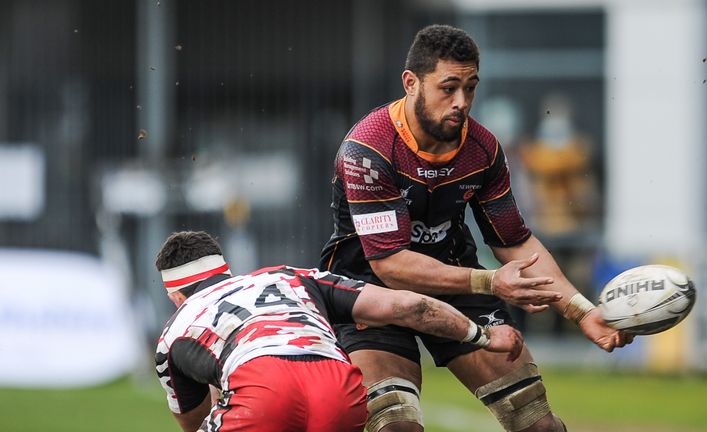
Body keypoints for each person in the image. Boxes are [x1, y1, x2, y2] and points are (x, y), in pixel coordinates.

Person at [319, 24, 632, 432]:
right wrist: (491, 283)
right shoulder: (368, 149)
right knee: (397, 427)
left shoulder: (483, 149)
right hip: (369, 293)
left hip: (456, 283)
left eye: (470, 87)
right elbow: (390, 264)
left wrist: (580, 310)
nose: (461, 102)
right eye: (448, 88)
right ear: (411, 83)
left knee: (539, 425)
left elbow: (515, 242)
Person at [154, 230, 526, 432]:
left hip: (260, 384)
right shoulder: (291, 276)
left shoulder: (172, 335)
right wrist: (483, 335)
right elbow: (407, 305)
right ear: (226, 271)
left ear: (174, 294)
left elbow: (194, 420)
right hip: (337, 385)